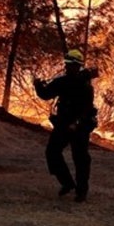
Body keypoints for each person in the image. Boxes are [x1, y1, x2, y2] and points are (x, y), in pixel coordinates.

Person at [33, 49, 98, 203]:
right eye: (66, 63)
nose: (67, 66)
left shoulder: (84, 85)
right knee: (52, 152)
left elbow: (87, 107)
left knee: (80, 158)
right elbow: (46, 94)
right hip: (64, 124)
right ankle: (67, 183)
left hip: (79, 126)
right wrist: (38, 86)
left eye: (70, 64)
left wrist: (76, 124)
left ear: (78, 66)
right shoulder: (64, 81)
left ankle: (81, 192)